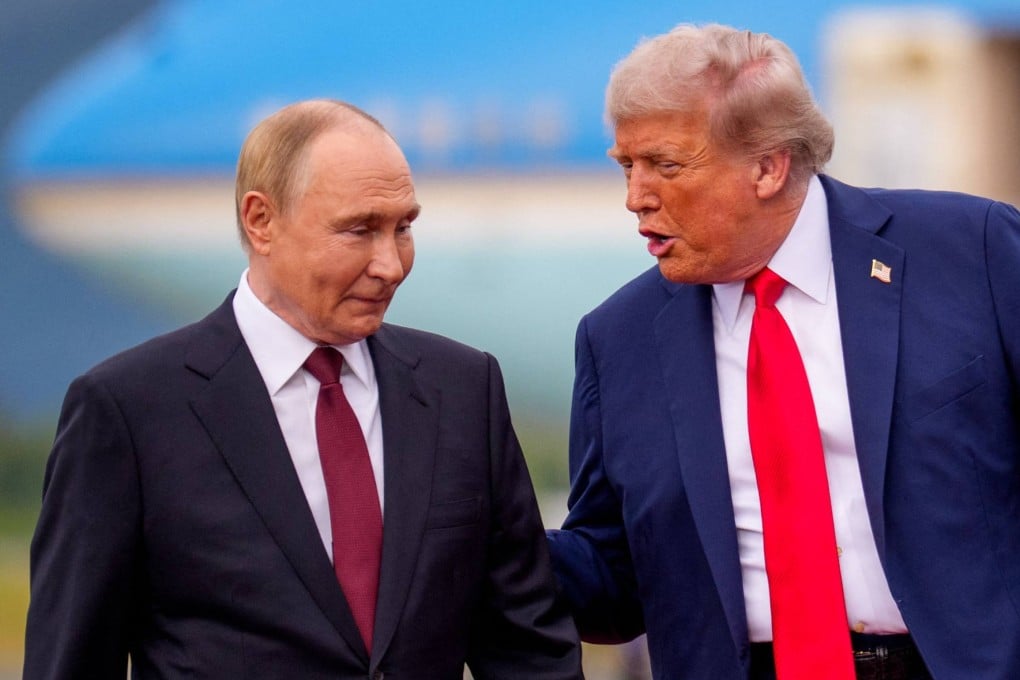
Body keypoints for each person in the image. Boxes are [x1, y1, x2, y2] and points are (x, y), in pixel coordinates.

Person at [24, 99, 582, 679]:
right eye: (360, 230)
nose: (390, 264)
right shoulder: (128, 411)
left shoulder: (464, 390)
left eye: (403, 227)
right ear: (261, 221)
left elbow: (530, 654)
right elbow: (71, 660)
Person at [547, 23, 1020, 680]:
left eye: (666, 165)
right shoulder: (617, 338)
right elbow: (613, 587)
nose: (636, 198)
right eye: (627, 165)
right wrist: (483, 532)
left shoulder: (974, 252)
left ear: (768, 167)